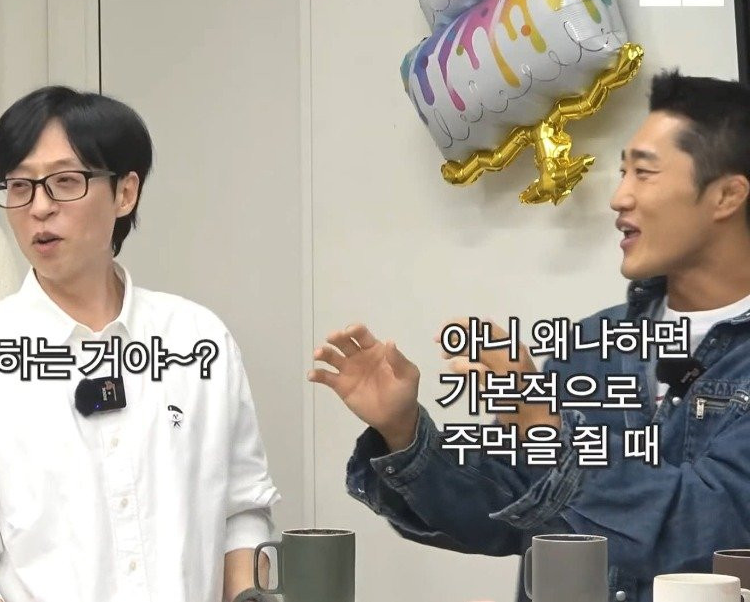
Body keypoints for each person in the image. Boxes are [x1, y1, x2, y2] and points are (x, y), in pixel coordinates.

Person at [308, 69, 750, 602]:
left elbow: (714, 527)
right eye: (621, 173)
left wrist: (541, 421)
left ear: (726, 196)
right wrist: (402, 430)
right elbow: (503, 511)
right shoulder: (592, 344)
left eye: (644, 173)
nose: (619, 198)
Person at [0, 86, 281, 602]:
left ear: (125, 193)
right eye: (19, 186)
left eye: (65, 182)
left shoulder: (197, 340)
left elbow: (243, 510)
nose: (39, 207)